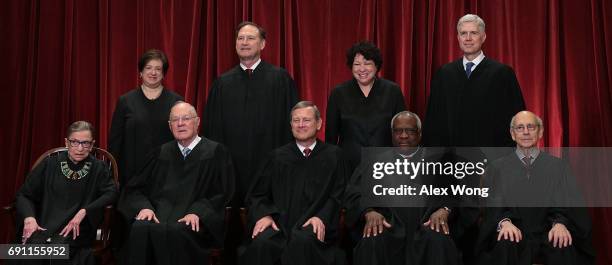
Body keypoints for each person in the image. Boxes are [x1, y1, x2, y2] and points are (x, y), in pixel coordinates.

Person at [118, 102, 235, 265]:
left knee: (176, 231)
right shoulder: (160, 153)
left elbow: (223, 192)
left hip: (195, 222)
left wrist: (198, 212)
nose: (180, 123)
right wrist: (144, 207)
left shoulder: (216, 153)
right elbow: (135, 188)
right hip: (158, 217)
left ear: (197, 121)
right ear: (169, 125)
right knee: (140, 228)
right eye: (175, 120)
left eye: (186, 118)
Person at [477, 111, 595, 265]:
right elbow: (491, 205)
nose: (526, 132)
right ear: (512, 134)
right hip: (513, 232)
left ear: (540, 132)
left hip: (548, 231)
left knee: (562, 242)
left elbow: (570, 204)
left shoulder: (558, 167)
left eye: (531, 127)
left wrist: (560, 223)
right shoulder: (497, 168)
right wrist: (503, 222)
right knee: (504, 242)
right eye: (520, 128)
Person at [239, 101, 349, 265]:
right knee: (263, 243)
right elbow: (258, 194)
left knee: (304, 241)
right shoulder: (277, 157)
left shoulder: (334, 156)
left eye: (306, 120)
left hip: (313, 223)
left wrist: (322, 217)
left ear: (318, 123)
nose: (301, 125)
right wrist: (264, 215)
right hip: (279, 224)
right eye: (296, 120)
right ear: (290, 125)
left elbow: (339, 195)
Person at [344, 111, 459, 265]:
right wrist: (368, 212)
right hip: (387, 226)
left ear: (419, 134)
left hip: (427, 226)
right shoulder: (374, 163)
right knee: (372, 240)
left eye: (410, 131)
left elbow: (457, 193)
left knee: (439, 240)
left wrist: (445, 209)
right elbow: (353, 194)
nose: (403, 136)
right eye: (398, 131)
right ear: (392, 135)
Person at [203, 21, 298, 206]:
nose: (244, 42)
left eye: (250, 38)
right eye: (240, 38)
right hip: (232, 167)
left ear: (262, 44)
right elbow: (211, 129)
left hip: (271, 163)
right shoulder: (222, 83)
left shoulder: (280, 79)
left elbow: (293, 125)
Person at [14, 121, 118, 265]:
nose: (80, 148)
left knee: (58, 252)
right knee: (24, 252)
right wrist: (29, 218)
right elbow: (24, 194)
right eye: (75, 142)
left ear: (92, 144)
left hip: (77, 229)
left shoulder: (98, 167)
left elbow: (112, 193)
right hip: (44, 224)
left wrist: (85, 210)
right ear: (66, 142)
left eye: (86, 143)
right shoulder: (50, 163)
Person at [422, 14, 525, 148]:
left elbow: (517, 120)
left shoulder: (503, 73)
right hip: (451, 162)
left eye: (474, 33)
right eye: (463, 33)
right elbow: (433, 122)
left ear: (483, 37)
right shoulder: (444, 74)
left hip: (492, 160)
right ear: (458, 38)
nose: (468, 38)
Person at [109, 49, 183, 186]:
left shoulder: (176, 101)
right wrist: (113, 175)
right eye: (148, 68)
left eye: (158, 69)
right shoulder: (125, 101)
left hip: (167, 173)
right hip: (131, 175)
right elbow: (115, 141)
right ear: (141, 72)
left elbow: (183, 138)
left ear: (163, 73)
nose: (153, 73)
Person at [326, 41, 406, 168]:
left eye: (367, 63)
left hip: (386, 167)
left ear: (376, 66)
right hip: (348, 167)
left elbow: (402, 133)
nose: (362, 69)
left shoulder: (392, 91)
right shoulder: (338, 93)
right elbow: (330, 138)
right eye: (357, 64)